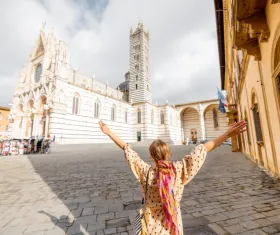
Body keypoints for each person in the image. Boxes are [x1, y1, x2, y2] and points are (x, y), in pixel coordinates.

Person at [98, 120, 247, 235]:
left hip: (151, 227)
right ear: (168, 153)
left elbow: (127, 149)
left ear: (150, 155)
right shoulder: (178, 170)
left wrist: (109, 132)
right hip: (173, 226)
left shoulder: (145, 172)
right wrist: (227, 134)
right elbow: (203, 149)